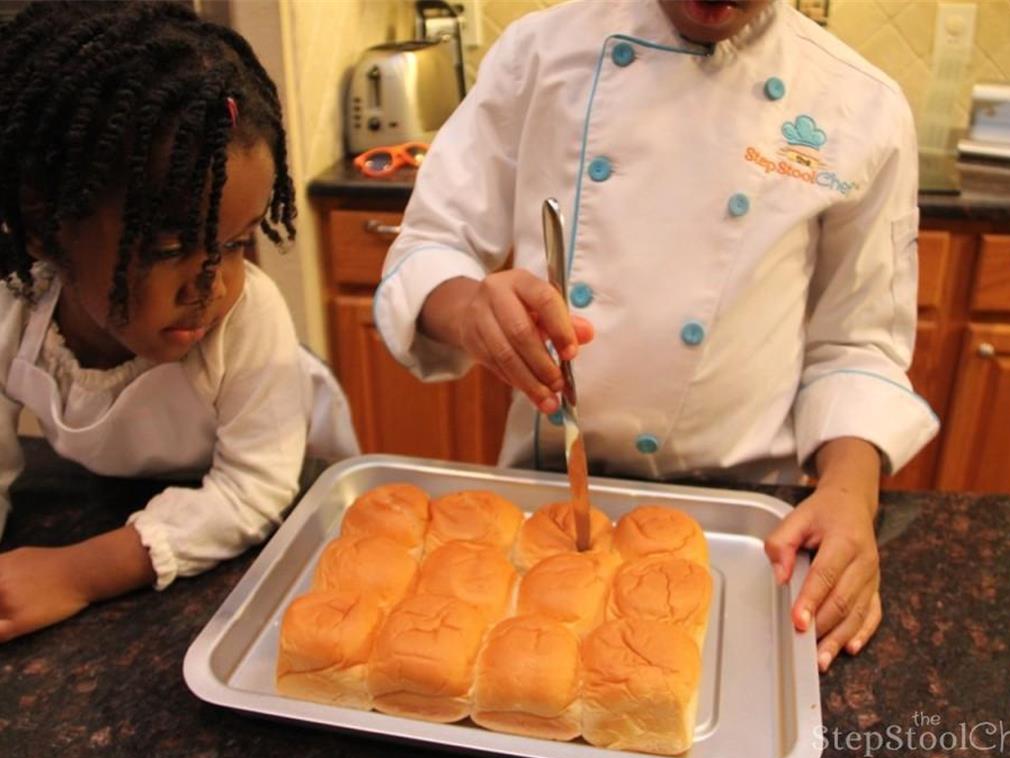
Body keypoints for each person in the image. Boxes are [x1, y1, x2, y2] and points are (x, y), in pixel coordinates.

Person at [374, 0, 939, 671]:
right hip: (551, 499)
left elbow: (858, 342)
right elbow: (431, 244)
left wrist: (849, 493)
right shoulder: (540, 54)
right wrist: (469, 307)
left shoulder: (860, 106)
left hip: (747, 523)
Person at [0, 1, 359, 642]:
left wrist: (79, 572)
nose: (212, 285)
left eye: (238, 242)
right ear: (45, 225)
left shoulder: (249, 322)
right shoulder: (14, 306)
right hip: (126, 497)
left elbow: (251, 492)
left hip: (283, 509)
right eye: (168, 249)